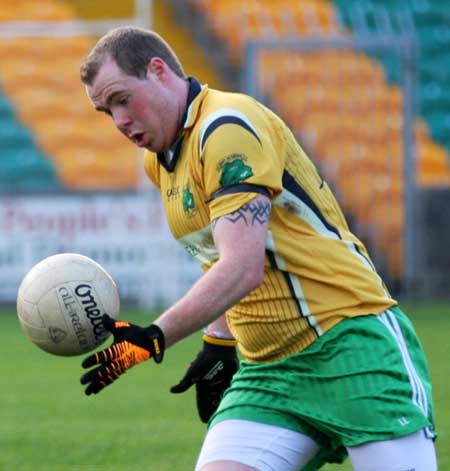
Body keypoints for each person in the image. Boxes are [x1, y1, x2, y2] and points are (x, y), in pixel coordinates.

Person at [79, 26, 437, 471]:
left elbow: (242, 266)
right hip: (270, 372)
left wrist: (150, 338)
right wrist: (218, 342)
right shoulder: (162, 160)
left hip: (349, 343)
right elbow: (219, 256)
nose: (118, 121)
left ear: (158, 71)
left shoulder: (226, 128)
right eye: (105, 111)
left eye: (121, 99)